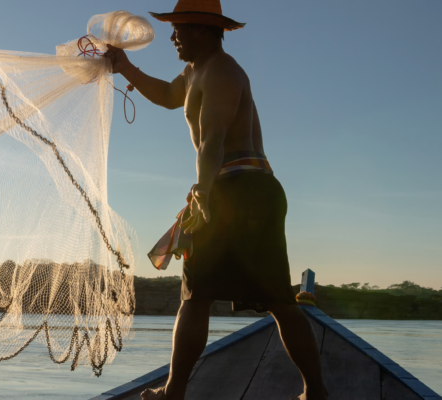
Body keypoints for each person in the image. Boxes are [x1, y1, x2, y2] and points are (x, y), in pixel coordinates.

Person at [103, 1, 329, 399]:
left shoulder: (223, 72)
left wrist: (203, 191)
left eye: (179, 29)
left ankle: (180, 393)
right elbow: (170, 95)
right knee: (210, 294)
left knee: (223, 296)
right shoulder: (194, 72)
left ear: (203, 31)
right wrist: (125, 67)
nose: (172, 36)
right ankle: (314, 391)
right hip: (233, 190)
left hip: (243, 190)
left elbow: (212, 141)